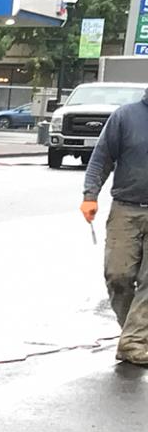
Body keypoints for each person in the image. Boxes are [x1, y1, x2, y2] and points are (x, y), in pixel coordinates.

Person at [81, 87, 148, 367]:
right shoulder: (126, 117)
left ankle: (135, 342)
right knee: (118, 276)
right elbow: (101, 157)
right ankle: (133, 333)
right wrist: (90, 195)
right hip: (126, 208)